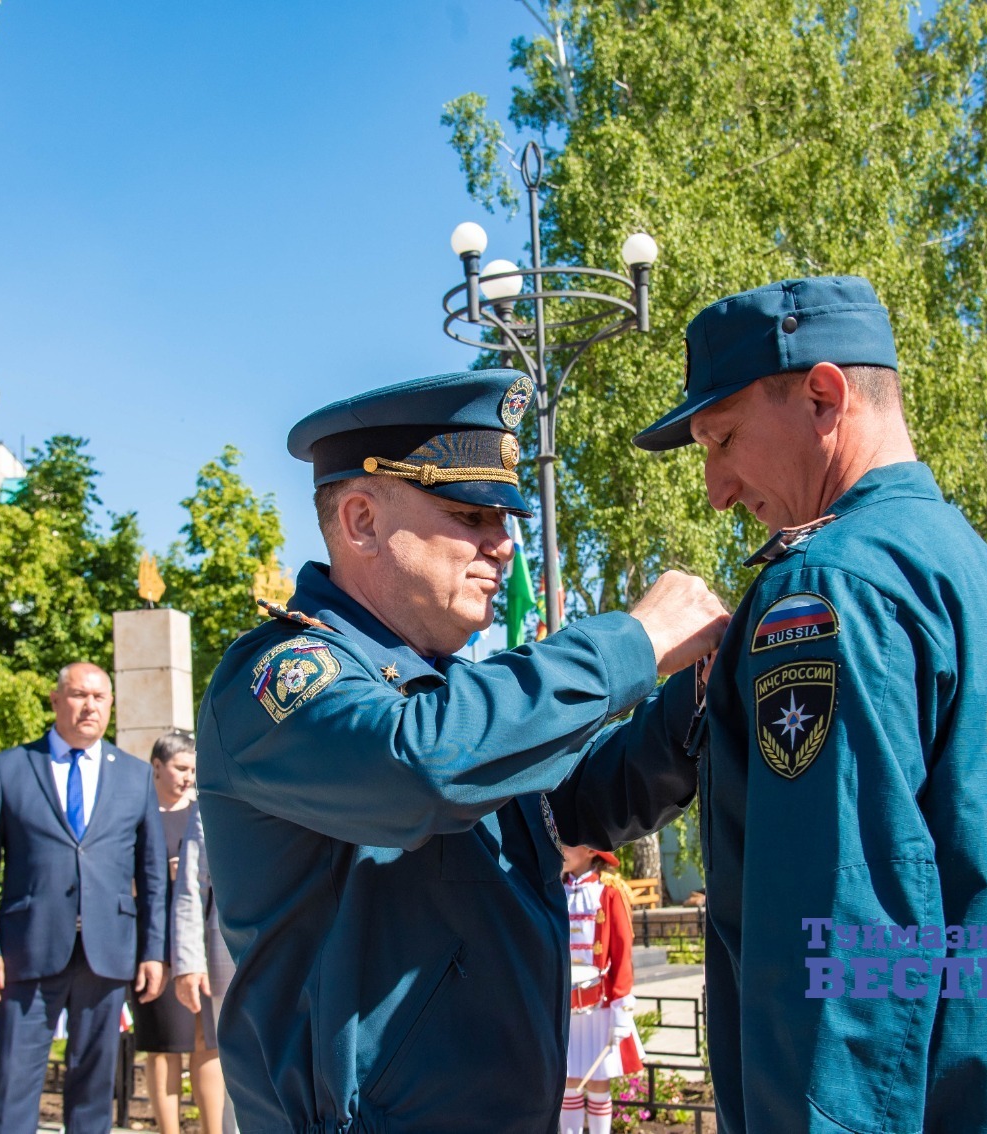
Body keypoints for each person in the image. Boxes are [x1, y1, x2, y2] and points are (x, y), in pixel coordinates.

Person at [633, 277, 987, 1133]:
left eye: (723, 439)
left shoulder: (828, 591)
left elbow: (839, 943)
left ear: (823, 395)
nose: (714, 487)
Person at [196, 367, 729, 1133]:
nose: (503, 546)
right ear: (361, 520)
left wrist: (701, 691)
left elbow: (582, 800)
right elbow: (419, 766)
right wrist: (629, 645)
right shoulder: (277, 678)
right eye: (470, 516)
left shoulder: (454, 696)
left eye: (505, 521)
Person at [0, 662, 168, 1134]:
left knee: (95, 1088)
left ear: (110, 706)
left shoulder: (134, 777)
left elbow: (152, 874)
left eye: (99, 697)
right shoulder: (9, 769)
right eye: (78, 695)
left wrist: (154, 950)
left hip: (108, 955)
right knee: (12, 1080)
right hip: (26, 952)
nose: (89, 705)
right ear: (55, 701)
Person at [136, 731, 235, 1134]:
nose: (187, 777)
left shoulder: (198, 806)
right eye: (180, 768)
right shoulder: (140, 815)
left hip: (198, 945)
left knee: (207, 1045)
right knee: (165, 1048)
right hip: (160, 942)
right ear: (156, 767)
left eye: (192, 769)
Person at [166, 734, 239, 1134]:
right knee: (236, 1074)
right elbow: (192, 884)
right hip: (227, 956)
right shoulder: (213, 784)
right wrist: (189, 961)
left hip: (307, 946)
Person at [560, 845, 644, 1134]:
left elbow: (622, 953)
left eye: (568, 844)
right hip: (564, 1007)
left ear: (589, 851)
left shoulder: (609, 891)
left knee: (597, 1081)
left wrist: (622, 1007)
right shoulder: (555, 888)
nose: (561, 849)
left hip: (601, 1005)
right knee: (568, 1080)